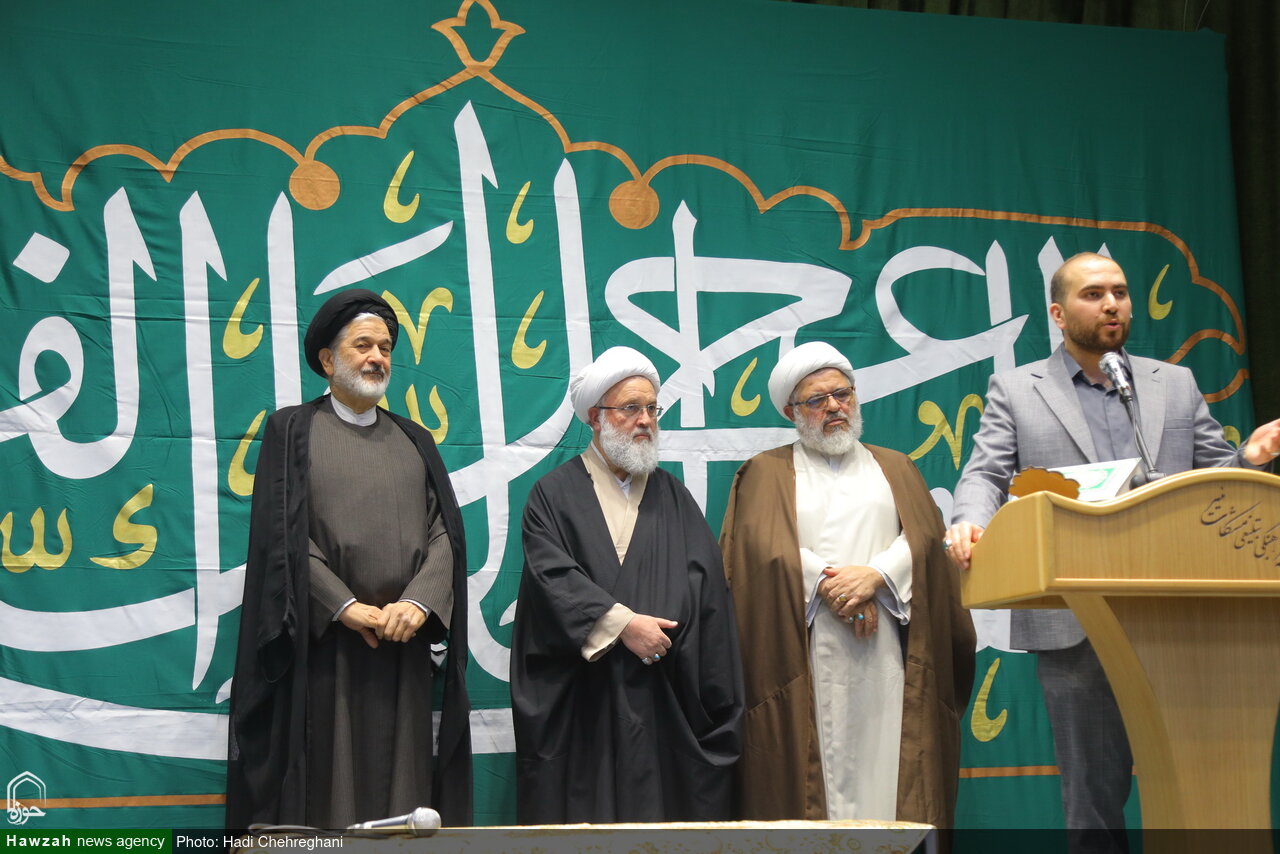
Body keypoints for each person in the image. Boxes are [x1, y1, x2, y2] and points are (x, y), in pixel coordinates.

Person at [946, 252, 1280, 852]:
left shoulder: (1173, 383)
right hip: (1076, 618)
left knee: (1201, 782)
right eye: (1093, 294)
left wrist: (1249, 460)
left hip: (1180, 613)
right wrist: (969, 520)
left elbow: (1214, 484)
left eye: (1120, 292)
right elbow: (986, 472)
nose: (1112, 305)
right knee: (1094, 799)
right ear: (1057, 313)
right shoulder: (1018, 389)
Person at [225, 289, 471, 829]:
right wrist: (343, 606)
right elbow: (280, 538)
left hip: (401, 648)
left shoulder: (415, 439)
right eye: (363, 345)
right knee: (327, 796)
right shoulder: (291, 430)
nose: (377, 357)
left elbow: (446, 536)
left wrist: (418, 603)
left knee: (404, 797)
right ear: (327, 359)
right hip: (324, 650)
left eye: (385, 347)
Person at [719, 341, 975, 824]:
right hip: (806, 646)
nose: (834, 406)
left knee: (892, 769)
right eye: (817, 400)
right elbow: (753, 549)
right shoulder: (764, 472)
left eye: (842, 394)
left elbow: (925, 538)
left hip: (889, 645)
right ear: (792, 412)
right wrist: (828, 585)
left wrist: (876, 576)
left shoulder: (896, 466)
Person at [510, 346, 744, 823]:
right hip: (585, 702)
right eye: (631, 408)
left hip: (665, 697)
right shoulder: (552, 495)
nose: (645, 421)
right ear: (595, 417)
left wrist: (670, 640)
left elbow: (708, 597)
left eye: (652, 409)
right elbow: (552, 579)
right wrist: (623, 626)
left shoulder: (674, 496)